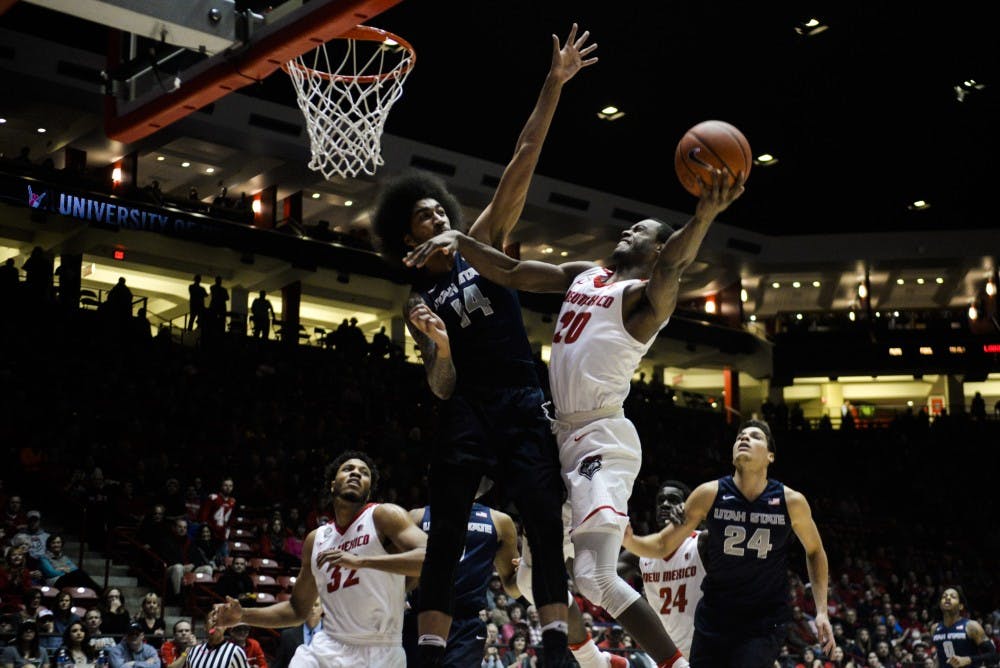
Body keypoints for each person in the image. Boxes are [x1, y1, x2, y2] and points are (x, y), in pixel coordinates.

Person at [404, 165, 743, 668]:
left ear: (654, 253)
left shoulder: (647, 300)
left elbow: (674, 266)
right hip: (560, 434)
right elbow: (512, 273)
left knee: (596, 578)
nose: (630, 230)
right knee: (524, 579)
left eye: (643, 232)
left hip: (600, 439)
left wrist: (705, 215)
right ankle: (600, 661)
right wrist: (461, 242)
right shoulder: (587, 274)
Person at [370, 23, 597, 668]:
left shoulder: (483, 247)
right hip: (466, 405)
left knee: (541, 522)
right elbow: (438, 387)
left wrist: (554, 84)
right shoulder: (419, 303)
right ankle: (433, 652)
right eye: (423, 217)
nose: (437, 219)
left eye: (439, 211)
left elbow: (523, 155)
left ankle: (554, 643)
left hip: (521, 397)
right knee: (443, 532)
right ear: (405, 238)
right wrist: (439, 351)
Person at [630, 420, 834, 668]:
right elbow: (663, 544)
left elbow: (815, 550)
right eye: (740, 437)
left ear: (770, 456)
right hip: (715, 616)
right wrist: (628, 539)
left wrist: (821, 611)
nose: (744, 439)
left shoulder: (791, 502)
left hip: (763, 620)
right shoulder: (708, 494)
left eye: (755, 436)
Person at [212, 450, 427, 667]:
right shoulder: (317, 539)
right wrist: (243, 615)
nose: (355, 474)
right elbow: (297, 610)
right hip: (328, 647)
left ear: (368, 491)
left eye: (364, 473)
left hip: (380, 649)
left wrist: (361, 562)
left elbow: (430, 557)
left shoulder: (384, 516)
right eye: (348, 469)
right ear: (333, 484)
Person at [404, 499, 521, 667]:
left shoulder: (499, 521)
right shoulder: (417, 516)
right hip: (421, 617)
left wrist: (527, 571)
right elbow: (401, 579)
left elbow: (513, 589)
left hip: (466, 624)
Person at [620, 480, 707, 657]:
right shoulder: (639, 554)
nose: (665, 505)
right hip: (664, 653)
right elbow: (600, 578)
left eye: (673, 500)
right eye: (661, 501)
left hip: (704, 650)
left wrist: (699, 514)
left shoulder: (702, 542)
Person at [930, 587, 996, 668]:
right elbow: (939, 657)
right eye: (944, 596)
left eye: (953, 597)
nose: (947, 598)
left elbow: (993, 656)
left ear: (960, 606)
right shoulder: (934, 628)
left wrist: (968, 659)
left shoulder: (971, 626)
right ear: (940, 605)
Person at [271, 598, 322, 668]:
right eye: (309, 605)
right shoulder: (288, 636)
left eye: (316, 605)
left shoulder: (333, 635)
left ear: (323, 608)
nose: (312, 608)